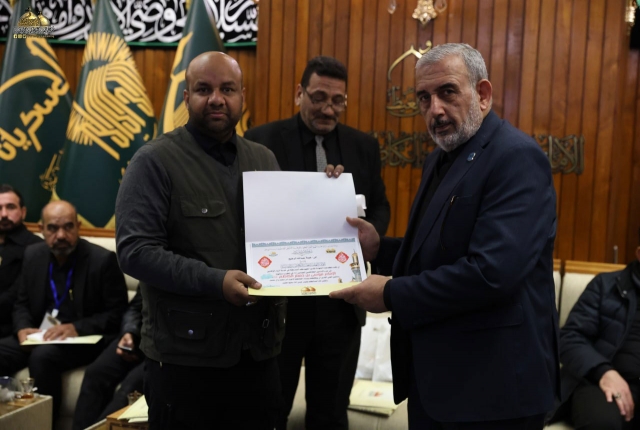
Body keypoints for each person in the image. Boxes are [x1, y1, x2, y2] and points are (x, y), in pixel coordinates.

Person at [330, 43, 559, 429]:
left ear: (482, 94)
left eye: (447, 92)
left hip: (495, 393)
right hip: (440, 384)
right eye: (424, 97)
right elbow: (437, 254)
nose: (434, 109)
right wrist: (378, 248)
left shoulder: (516, 157)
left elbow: (490, 273)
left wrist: (390, 294)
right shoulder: (440, 157)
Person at [115, 51, 286, 430]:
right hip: (185, 362)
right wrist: (215, 281)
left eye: (228, 89)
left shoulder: (264, 160)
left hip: (258, 355)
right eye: (204, 89)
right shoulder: (154, 161)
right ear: (186, 97)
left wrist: (329, 193)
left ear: (243, 96)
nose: (217, 99)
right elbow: (135, 252)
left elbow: (287, 240)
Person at [245, 55, 391, 430]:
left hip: (339, 305)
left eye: (338, 100)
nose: (328, 109)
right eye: (319, 97)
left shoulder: (363, 146)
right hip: (278, 303)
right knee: (269, 411)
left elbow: (379, 206)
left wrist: (369, 233)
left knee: (330, 415)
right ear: (299, 93)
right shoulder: (261, 141)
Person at [0, 200, 128, 424]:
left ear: (78, 226)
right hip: (39, 335)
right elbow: (21, 303)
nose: (61, 235)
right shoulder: (33, 254)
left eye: (68, 227)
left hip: (83, 339)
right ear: (42, 229)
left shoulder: (102, 260)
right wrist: (22, 328)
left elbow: (116, 314)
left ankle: (45, 424)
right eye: (52, 228)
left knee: (42, 357)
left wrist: (76, 328)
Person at [548, 230, 640, 429]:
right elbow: (570, 338)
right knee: (601, 422)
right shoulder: (605, 286)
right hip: (600, 383)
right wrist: (605, 372)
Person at [72, 286, 144, 430]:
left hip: (166, 351)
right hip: (140, 336)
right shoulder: (152, 273)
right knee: (95, 373)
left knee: (130, 387)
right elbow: (135, 308)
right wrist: (129, 332)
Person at [0, 185, 43, 337]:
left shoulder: (36, 248)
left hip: (14, 326)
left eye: (10, 207)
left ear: (23, 212)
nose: (4, 214)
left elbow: (17, 295)